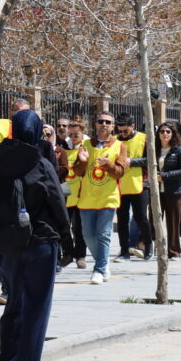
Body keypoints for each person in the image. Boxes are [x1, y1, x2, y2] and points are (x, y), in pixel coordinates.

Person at [0, 109, 70, 361]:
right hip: (41, 241)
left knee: (14, 303)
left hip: (9, 243)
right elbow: (57, 203)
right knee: (36, 306)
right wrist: (68, 237)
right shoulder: (41, 163)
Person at [71, 111, 129, 284]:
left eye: (108, 122)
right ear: (96, 124)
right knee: (87, 235)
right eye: (101, 121)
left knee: (103, 234)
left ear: (113, 126)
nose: (104, 124)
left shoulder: (120, 146)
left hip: (108, 198)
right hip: (87, 198)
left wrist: (109, 164)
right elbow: (78, 172)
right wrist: (82, 161)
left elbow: (120, 172)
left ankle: (98, 269)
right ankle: (103, 264)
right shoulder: (86, 144)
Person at [114, 113, 152, 261]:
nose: (122, 134)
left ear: (133, 127)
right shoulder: (115, 141)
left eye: (125, 131)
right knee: (122, 219)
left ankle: (148, 246)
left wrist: (131, 161)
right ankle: (124, 251)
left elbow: (150, 160)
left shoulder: (144, 138)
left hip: (140, 185)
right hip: (120, 186)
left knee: (141, 217)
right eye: (120, 131)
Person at [155, 122, 181, 258]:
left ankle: (173, 251)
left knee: (173, 222)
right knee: (154, 220)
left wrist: (164, 176)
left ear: (173, 134)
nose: (165, 134)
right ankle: (150, 248)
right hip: (156, 191)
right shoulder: (154, 148)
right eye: (162, 131)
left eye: (168, 131)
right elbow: (146, 162)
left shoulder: (177, 150)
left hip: (174, 191)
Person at [60, 118, 89, 269]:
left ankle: (81, 255)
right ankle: (68, 253)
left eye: (76, 134)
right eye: (70, 134)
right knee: (64, 225)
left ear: (83, 133)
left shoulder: (87, 147)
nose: (72, 137)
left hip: (80, 192)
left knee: (79, 227)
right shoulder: (63, 146)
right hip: (65, 192)